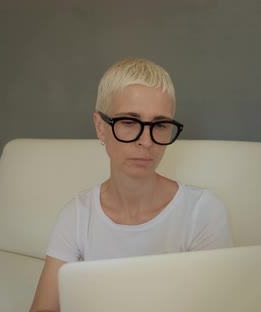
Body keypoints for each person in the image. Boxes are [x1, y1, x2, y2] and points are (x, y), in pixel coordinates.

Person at [29, 57, 233, 312]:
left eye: (159, 125)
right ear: (100, 127)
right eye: (128, 122)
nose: (146, 141)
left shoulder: (201, 212)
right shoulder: (78, 214)